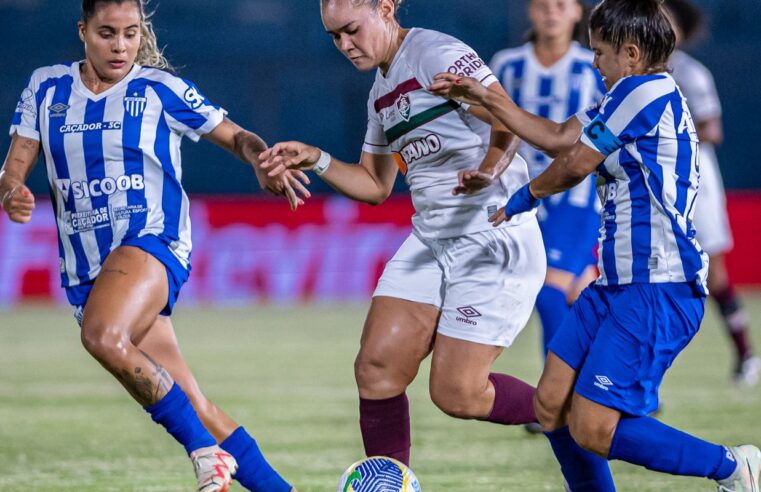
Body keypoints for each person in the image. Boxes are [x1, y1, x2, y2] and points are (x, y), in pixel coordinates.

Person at [429, 0, 761, 490]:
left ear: (629, 54)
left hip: (658, 286)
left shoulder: (645, 90)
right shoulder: (623, 95)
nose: (592, 62)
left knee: (592, 427)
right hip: (615, 286)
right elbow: (560, 135)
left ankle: (733, 467)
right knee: (550, 406)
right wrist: (486, 97)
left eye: (599, 52)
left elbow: (576, 163)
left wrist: (526, 196)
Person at [0, 1, 307, 490]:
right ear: (83, 31)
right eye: (106, 33)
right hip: (88, 270)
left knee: (101, 337)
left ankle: (205, 456)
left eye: (130, 33)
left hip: (151, 240)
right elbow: (14, 164)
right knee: (195, 405)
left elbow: (236, 135)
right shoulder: (47, 86)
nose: (120, 46)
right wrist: (13, 190)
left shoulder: (158, 89)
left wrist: (258, 157)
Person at [260, 0, 546, 468]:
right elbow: (375, 185)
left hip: (491, 235)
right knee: (376, 368)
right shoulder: (380, 92)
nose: (345, 45)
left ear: (386, 8)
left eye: (351, 30)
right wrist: (316, 158)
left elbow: (505, 115)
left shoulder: (434, 52)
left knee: (458, 393)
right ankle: (390, 484)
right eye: (334, 37)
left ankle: (578, 415)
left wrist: (490, 170)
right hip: (432, 240)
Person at [490, 0, 605, 403]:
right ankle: (613, 385)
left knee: (547, 290)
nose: (551, 12)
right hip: (523, 195)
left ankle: (557, 399)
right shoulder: (506, 65)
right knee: (581, 294)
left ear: (577, 13)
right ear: (530, 12)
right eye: (543, 5)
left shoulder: (594, 65)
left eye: (561, 5)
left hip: (575, 196)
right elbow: (496, 126)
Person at [664, 0, 760, 386]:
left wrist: (665, 137)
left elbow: (712, 130)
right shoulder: (629, 73)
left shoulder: (690, 73)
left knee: (714, 273)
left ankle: (745, 353)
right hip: (655, 183)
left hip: (697, 181)